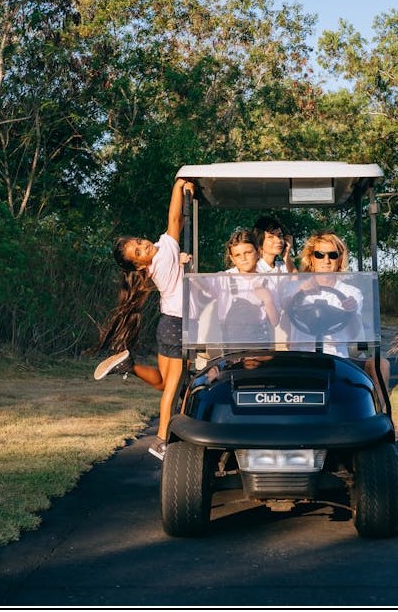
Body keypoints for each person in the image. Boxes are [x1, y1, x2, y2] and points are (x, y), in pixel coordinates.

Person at [92, 177, 195, 461]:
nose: (144, 247)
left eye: (139, 242)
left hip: (168, 324)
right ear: (139, 264)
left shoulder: (162, 252)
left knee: (163, 382)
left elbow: (178, 224)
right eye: (138, 252)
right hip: (178, 325)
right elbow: (174, 218)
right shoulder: (164, 255)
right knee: (172, 388)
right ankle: (161, 440)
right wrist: (176, 185)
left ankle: (129, 365)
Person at [291, 230, 392, 404]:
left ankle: (380, 415)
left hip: (338, 357)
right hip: (302, 356)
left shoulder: (351, 293)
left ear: (339, 259)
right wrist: (300, 290)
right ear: (311, 259)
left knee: (381, 364)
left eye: (332, 255)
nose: (326, 260)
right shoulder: (294, 288)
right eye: (320, 255)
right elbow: (282, 312)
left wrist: (351, 312)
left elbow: (354, 335)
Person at [219, 229, 279, 343]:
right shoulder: (223, 278)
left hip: (260, 342)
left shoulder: (268, 281)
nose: (243, 258)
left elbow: (275, 321)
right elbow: (201, 286)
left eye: (248, 252)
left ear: (258, 252)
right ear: (232, 258)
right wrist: (184, 266)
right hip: (232, 343)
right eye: (237, 255)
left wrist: (267, 299)